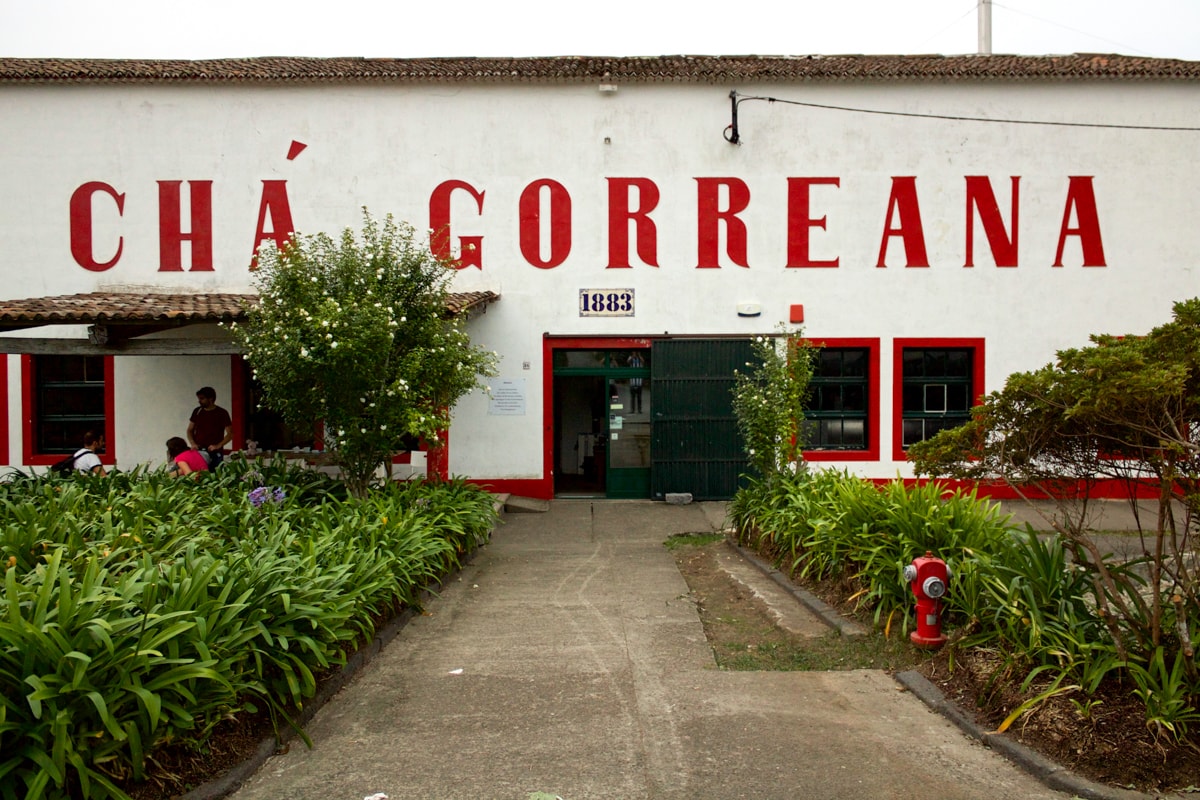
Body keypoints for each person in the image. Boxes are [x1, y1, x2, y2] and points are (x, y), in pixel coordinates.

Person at [187, 386, 232, 467]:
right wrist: (192, 443)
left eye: (202, 398)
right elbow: (190, 430)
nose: (199, 401)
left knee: (216, 475)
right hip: (199, 450)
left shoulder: (222, 413)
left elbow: (230, 433)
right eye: (199, 398)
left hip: (215, 451)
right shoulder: (197, 411)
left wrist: (219, 445)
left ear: (210, 399)